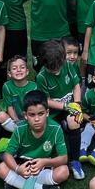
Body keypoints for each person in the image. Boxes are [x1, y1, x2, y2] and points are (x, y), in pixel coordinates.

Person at [0, 90, 69, 189]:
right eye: (32, 115)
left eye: (41, 114)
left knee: (64, 171)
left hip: (43, 165)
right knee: (1, 168)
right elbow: (8, 155)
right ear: (25, 115)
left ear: (47, 113)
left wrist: (45, 162)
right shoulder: (20, 129)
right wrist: (18, 169)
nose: (37, 119)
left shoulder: (56, 129)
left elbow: (64, 158)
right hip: (23, 166)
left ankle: (17, 184)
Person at [36, 40, 83, 178]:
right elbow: (46, 101)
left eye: (58, 67)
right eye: (52, 69)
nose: (56, 71)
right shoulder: (41, 77)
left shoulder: (68, 65)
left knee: (74, 121)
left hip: (70, 106)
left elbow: (76, 86)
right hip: (53, 112)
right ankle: (50, 159)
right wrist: (65, 106)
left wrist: (77, 104)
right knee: (49, 130)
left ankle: (75, 161)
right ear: (44, 64)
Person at [0, 55, 37, 124]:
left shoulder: (34, 87)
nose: (19, 70)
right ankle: (18, 129)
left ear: (27, 71)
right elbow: (9, 107)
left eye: (22, 67)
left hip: (31, 118)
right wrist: (17, 121)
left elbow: (36, 108)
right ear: (9, 74)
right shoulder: (7, 87)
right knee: (1, 116)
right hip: (15, 119)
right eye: (14, 68)